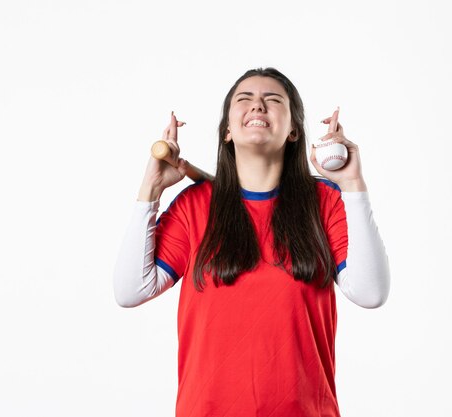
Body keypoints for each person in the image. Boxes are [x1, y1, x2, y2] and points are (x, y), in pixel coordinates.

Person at [113, 67, 390, 417]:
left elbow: (371, 293)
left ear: (293, 131)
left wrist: (353, 184)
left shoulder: (326, 200)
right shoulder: (195, 205)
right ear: (227, 131)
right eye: (244, 99)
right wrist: (149, 190)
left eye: (272, 100)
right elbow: (130, 290)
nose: (257, 106)